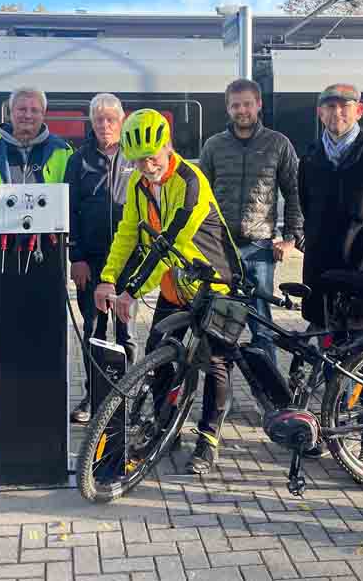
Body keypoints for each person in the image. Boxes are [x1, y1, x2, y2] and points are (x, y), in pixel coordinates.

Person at [95, 109, 242, 475]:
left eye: (153, 157)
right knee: (158, 351)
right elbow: (129, 233)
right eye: (139, 160)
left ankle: (208, 440)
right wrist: (109, 278)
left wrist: (131, 290)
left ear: (168, 147)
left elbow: (169, 245)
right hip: (177, 283)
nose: (147, 166)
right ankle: (166, 426)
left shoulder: (191, 181)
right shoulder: (137, 184)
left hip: (217, 282)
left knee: (216, 363)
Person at [298, 83, 363, 469]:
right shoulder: (310, 158)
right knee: (331, 362)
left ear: (359, 111)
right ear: (320, 113)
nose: (336, 114)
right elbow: (308, 211)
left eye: (344, 107)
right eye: (328, 107)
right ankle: (336, 431)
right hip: (324, 282)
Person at [0, 86, 73, 428]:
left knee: (42, 324)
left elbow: (70, 204)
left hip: (47, 254)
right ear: (9, 113)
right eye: (21, 109)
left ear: (44, 114)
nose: (27, 115)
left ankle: (39, 390)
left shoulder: (61, 151)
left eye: (33, 110)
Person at [199, 79, 302, 365]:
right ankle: (219, 394)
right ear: (228, 109)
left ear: (258, 104)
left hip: (260, 248)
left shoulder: (278, 144)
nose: (241, 110)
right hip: (221, 249)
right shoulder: (214, 146)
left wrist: (292, 237)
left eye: (247, 104)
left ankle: (270, 399)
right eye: (235, 105)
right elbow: (199, 196)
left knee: (262, 327)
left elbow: (294, 191)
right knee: (218, 325)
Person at [64, 93, 136, 423]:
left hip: (128, 261)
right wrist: (75, 257)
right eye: (98, 120)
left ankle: (126, 397)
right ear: (91, 124)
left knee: (126, 332)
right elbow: (70, 212)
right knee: (93, 330)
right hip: (90, 262)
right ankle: (93, 397)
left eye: (110, 119)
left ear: (122, 121)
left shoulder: (136, 157)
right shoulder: (78, 161)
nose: (105, 125)